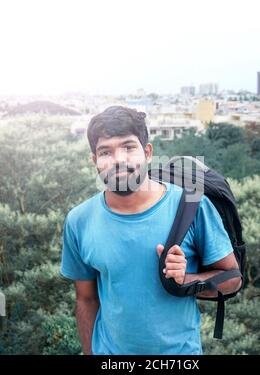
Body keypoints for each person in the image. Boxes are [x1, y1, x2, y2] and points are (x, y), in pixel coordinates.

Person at [60, 106, 241, 355]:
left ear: (147, 152)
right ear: (95, 161)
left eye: (128, 147)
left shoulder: (191, 206)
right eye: (105, 151)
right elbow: (86, 299)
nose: (119, 160)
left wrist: (187, 279)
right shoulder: (79, 221)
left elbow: (232, 279)